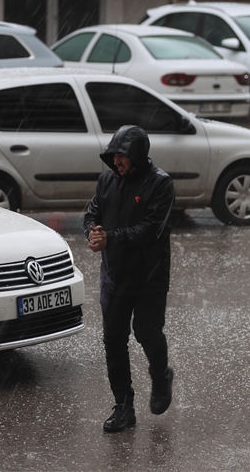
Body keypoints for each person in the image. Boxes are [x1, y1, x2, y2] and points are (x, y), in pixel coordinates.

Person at [83, 125, 176, 433]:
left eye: (122, 156)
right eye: (113, 156)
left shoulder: (160, 184)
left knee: (147, 333)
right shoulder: (106, 180)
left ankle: (161, 375)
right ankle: (124, 406)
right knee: (113, 341)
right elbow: (92, 213)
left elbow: (152, 229)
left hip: (149, 277)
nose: (116, 162)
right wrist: (93, 232)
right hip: (114, 277)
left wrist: (111, 238)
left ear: (137, 156)